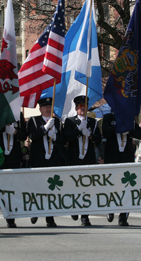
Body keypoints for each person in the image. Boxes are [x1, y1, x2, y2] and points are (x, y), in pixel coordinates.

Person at [64, 95, 101, 226]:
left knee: (87, 187)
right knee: (74, 186)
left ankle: (85, 216)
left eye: (85, 107)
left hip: (88, 159)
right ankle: (74, 208)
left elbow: (99, 139)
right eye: (80, 107)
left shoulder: (93, 122)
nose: (82, 109)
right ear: (76, 108)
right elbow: (66, 138)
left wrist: (90, 135)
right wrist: (79, 130)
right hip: (74, 159)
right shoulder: (70, 121)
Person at [27, 97, 64, 227]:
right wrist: (44, 129)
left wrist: (55, 136)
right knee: (37, 187)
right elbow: (32, 136)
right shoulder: (34, 120)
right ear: (40, 108)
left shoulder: (57, 121)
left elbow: (63, 141)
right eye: (45, 106)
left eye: (50, 106)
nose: (48, 109)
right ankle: (35, 211)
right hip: (38, 159)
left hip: (53, 160)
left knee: (51, 190)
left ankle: (50, 217)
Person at [102, 112, 141, 226]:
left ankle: (123, 216)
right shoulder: (108, 117)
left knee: (126, 187)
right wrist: (118, 127)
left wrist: (129, 130)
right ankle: (110, 209)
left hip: (126, 157)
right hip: (112, 157)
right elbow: (105, 132)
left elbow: (140, 135)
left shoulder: (129, 117)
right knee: (112, 185)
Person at [0, 113, 27, 228]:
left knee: (11, 188)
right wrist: (2, 128)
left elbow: (24, 135)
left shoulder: (18, 114)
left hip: (14, 157)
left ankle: (11, 217)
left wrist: (15, 132)